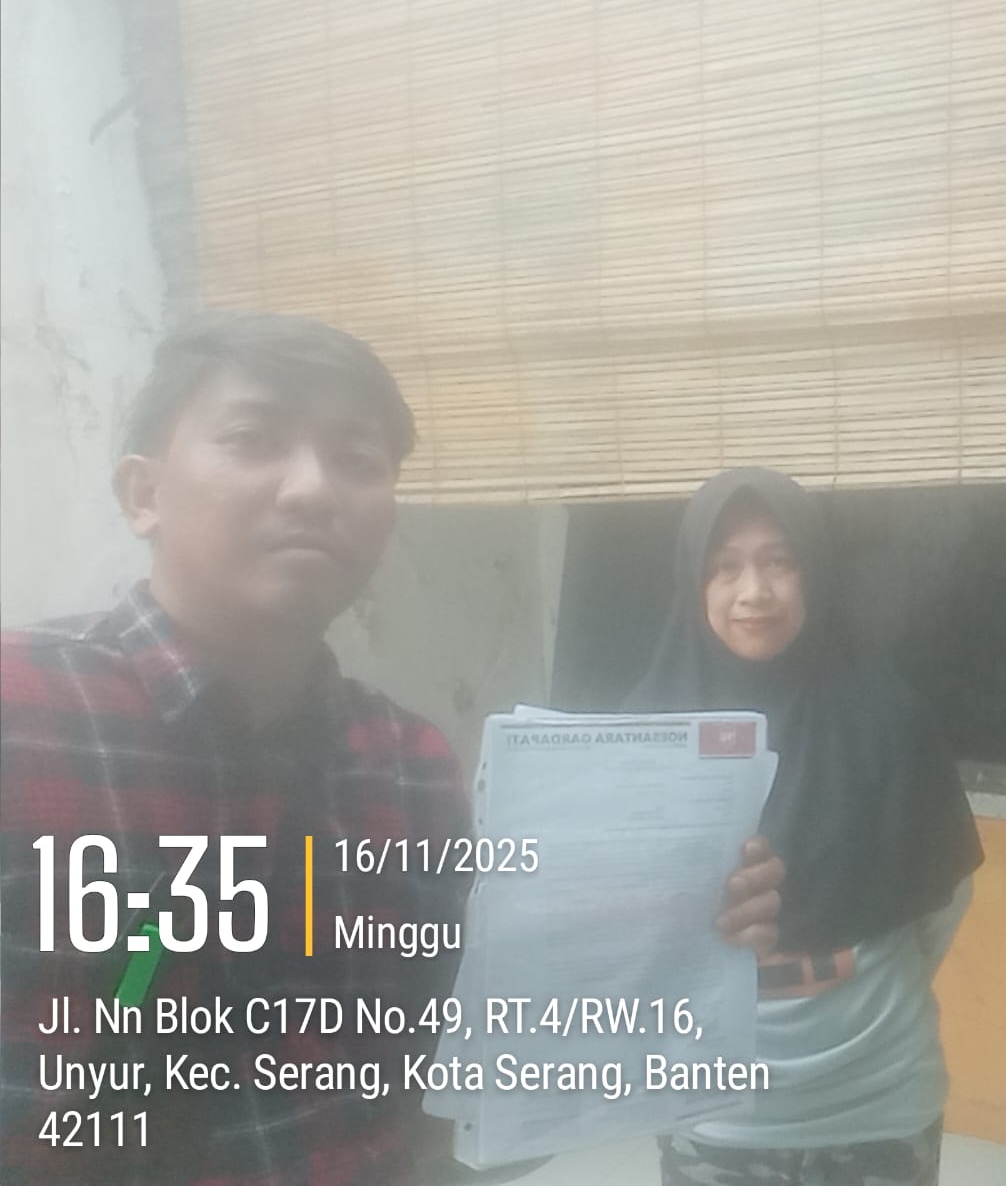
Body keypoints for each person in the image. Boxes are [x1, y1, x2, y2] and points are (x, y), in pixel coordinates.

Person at [0, 312, 785, 1186]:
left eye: (358, 460)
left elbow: (446, 1090)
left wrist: (674, 944)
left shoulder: (405, 764)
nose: (312, 489)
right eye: (254, 439)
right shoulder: (20, 710)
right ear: (143, 493)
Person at [626, 467, 984, 1186]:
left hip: (876, 1099)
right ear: (694, 585)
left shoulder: (891, 721)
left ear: (814, 572)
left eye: (779, 562)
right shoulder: (643, 738)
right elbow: (624, 934)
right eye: (724, 567)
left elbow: (938, 909)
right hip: (713, 1111)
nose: (754, 591)